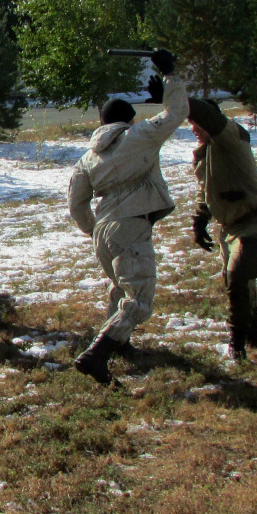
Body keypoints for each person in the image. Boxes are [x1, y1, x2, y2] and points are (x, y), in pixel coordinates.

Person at [67, 50, 187, 385]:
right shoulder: (139, 136)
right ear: (129, 120)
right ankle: (97, 354)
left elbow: (76, 204)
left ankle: (120, 343)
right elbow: (177, 112)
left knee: (120, 288)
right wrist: (170, 76)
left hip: (103, 230)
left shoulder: (87, 158)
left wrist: (94, 231)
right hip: (130, 222)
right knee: (139, 298)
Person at [186, 96, 257, 360]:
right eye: (191, 124)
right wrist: (199, 221)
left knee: (238, 276)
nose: (194, 129)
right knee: (238, 281)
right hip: (229, 227)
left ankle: (236, 343)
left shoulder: (231, 137)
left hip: (255, 222)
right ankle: (253, 333)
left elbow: (213, 119)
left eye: (197, 123)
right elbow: (205, 191)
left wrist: (178, 97)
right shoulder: (204, 154)